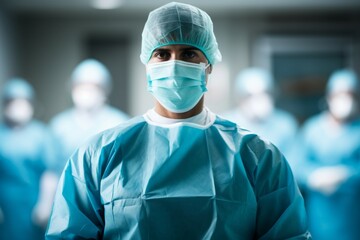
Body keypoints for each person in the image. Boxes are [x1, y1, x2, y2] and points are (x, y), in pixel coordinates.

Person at [46, 2, 311, 239]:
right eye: (162, 54)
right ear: (147, 64)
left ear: (209, 66)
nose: (174, 65)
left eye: (188, 54)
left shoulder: (257, 156)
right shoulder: (99, 154)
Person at [290, 69, 360, 240]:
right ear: (329, 97)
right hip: (319, 211)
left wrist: (344, 174)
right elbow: (297, 165)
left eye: (349, 94)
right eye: (338, 94)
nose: (344, 100)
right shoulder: (313, 129)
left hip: (352, 213)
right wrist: (313, 177)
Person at [0, 78, 58, 240]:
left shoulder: (41, 134)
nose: (19, 108)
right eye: (14, 103)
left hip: (33, 201)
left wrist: (45, 204)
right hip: (5, 205)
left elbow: (49, 173)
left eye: (23, 103)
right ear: (6, 105)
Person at [49, 58, 129, 172]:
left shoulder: (119, 124)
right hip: (68, 189)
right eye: (81, 87)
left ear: (104, 91)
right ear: (72, 89)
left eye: (93, 88)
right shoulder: (59, 126)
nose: (86, 92)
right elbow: (52, 171)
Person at [221, 67, 298, 158]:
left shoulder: (285, 124)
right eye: (250, 95)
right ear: (240, 99)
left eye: (264, 93)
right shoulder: (225, 125)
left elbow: (293, 162)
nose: (258, 100)